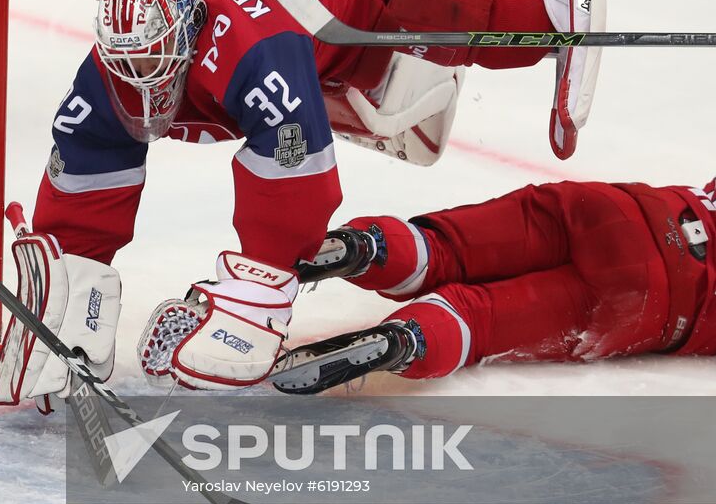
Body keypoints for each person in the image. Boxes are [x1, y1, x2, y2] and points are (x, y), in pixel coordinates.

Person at [0, 0, 609, 407]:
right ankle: (392, 61)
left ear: (192, 33)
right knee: (374, 107)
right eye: (133, 69)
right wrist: (75, 278)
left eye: (159, 67)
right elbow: (88, 159)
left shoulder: (253, 52)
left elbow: (299, 174)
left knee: (535, 28)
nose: (146, 89)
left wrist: (257, 295)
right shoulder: (122, 56)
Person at [271, 174, 715, 394]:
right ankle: (404, 342)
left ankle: (365, 248)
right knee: (477, 320)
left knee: (445, 248)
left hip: (619, 209)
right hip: (653, 295)